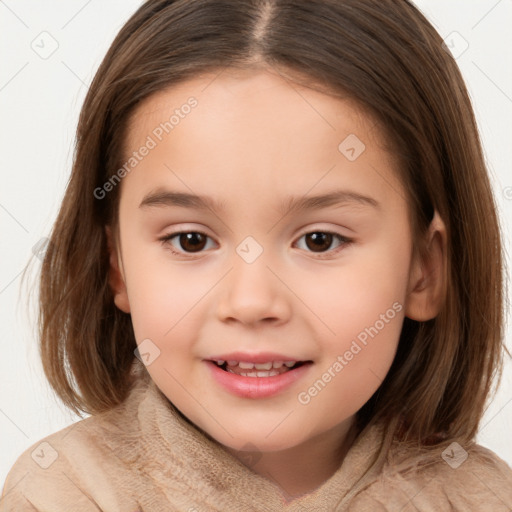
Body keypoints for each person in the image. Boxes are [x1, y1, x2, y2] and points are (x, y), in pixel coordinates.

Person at [1, 0, 511, 510]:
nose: (250, 302)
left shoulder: (480, 498)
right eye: (191, 240)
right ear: (118, 267)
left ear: (424, 271)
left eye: (320, 240)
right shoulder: (63, 495)